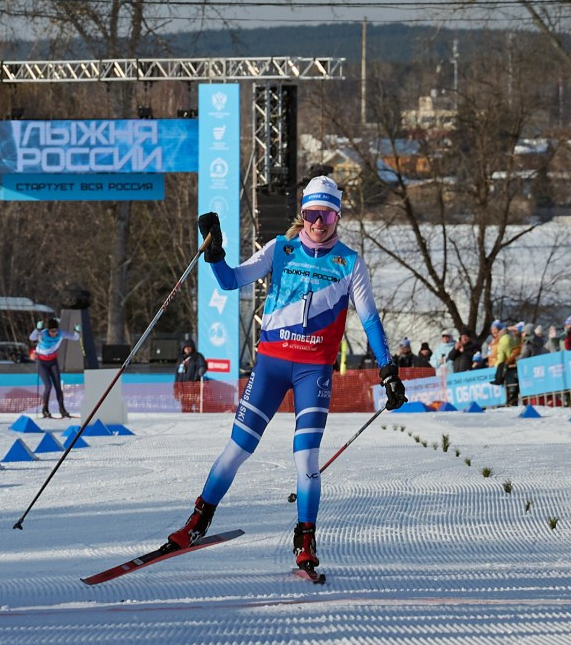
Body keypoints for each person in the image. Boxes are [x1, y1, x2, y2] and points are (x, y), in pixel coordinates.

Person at [165, 177, 400, 578]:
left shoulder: (349, 263)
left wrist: (387, 368)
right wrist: (216, 253)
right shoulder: (281, 249)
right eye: (311, 213)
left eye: (326, 214)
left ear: (337, 216)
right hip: (271, 366)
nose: (318, 223)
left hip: (315, 371)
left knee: (306, 458)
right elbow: (229, 281)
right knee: (237, 450)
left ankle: (305, 540)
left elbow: (371, 320)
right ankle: (198, 520)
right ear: (302, 214)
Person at [30, 317, 68, 418]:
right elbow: (32, 338)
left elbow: (75, 337)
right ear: (48, 330)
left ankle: (62, 409)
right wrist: (37, 330)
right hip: (42, 362)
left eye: (55, 331)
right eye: (51, 331)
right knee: (48, 386)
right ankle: (45, 409)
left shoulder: (61, 333)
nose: (53, 333)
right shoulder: (43, 333)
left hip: (53, 361)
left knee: (58, 387)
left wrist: (77, 331)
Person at [173, 339, 206, 413]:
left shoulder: (197, 357)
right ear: (183, 349)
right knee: (186, 408)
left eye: (189, 347)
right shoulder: (181, 360)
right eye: (185, 347)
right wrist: (176, 388)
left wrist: (202, 369)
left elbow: (202, 364)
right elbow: (177, 375)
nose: (187, 349)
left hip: (194, 386)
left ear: (192, 348)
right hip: (183, 388)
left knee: (198, 407)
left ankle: (199, 422)